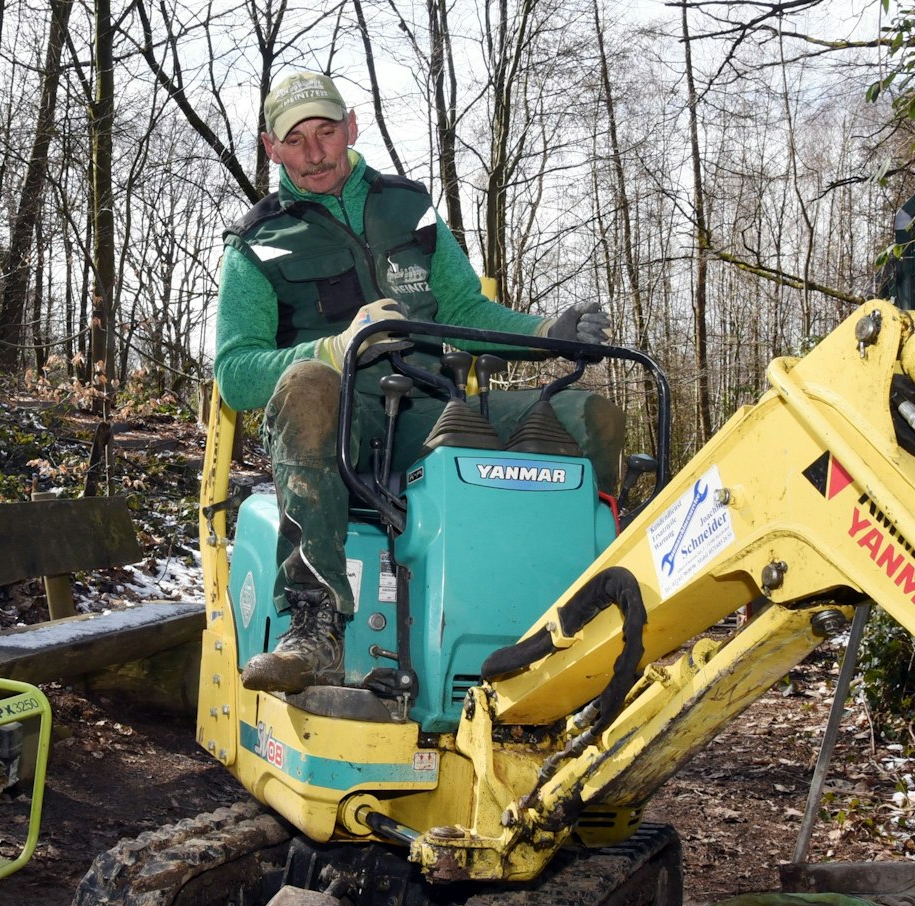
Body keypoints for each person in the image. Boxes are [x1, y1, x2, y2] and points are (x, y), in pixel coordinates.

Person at [215, 71, 626, 694]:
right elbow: (235, 374)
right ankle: (314, 625)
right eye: (295, 140)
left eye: (326, 132)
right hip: (335, 428)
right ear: (272, 149)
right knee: (305, 382)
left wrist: (549, 328)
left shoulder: (409, 206)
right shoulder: (256, 242)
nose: (315, 151)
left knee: (586, 416)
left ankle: (572, 617)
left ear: (352, 127)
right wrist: (332, 348)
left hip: (432, 412)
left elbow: (465, 311)